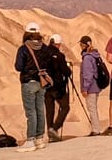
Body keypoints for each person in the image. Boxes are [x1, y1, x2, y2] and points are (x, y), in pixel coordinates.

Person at [14, 22, 52, 152]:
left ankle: (30, 140)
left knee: (31, 112)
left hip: (28, 82)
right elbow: (49, 62)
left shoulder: (23, 49)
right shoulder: (45, 48)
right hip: (41, 82)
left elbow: (18, 67)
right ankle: (39, 138)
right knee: (40, 110)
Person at [45, 34, 72, 142]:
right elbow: (65, 71)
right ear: (58, 44)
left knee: (49, 110)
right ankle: (54, 129)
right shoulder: (59, 56)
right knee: (65, 107)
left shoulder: (43, 54)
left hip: (46, 86)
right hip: (58, 86)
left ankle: (51, 134)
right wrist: (68, 68)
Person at [79, 35, 102, 136]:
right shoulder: (95, 55)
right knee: (93, 107)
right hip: (96, 86)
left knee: (92, 108)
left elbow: (88, 75)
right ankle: (96, 128)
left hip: (91, 87)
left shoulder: (87, 58)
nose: (80, 46)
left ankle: (96, 130)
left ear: (85, 45)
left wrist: (85, 88)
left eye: (81, 44)